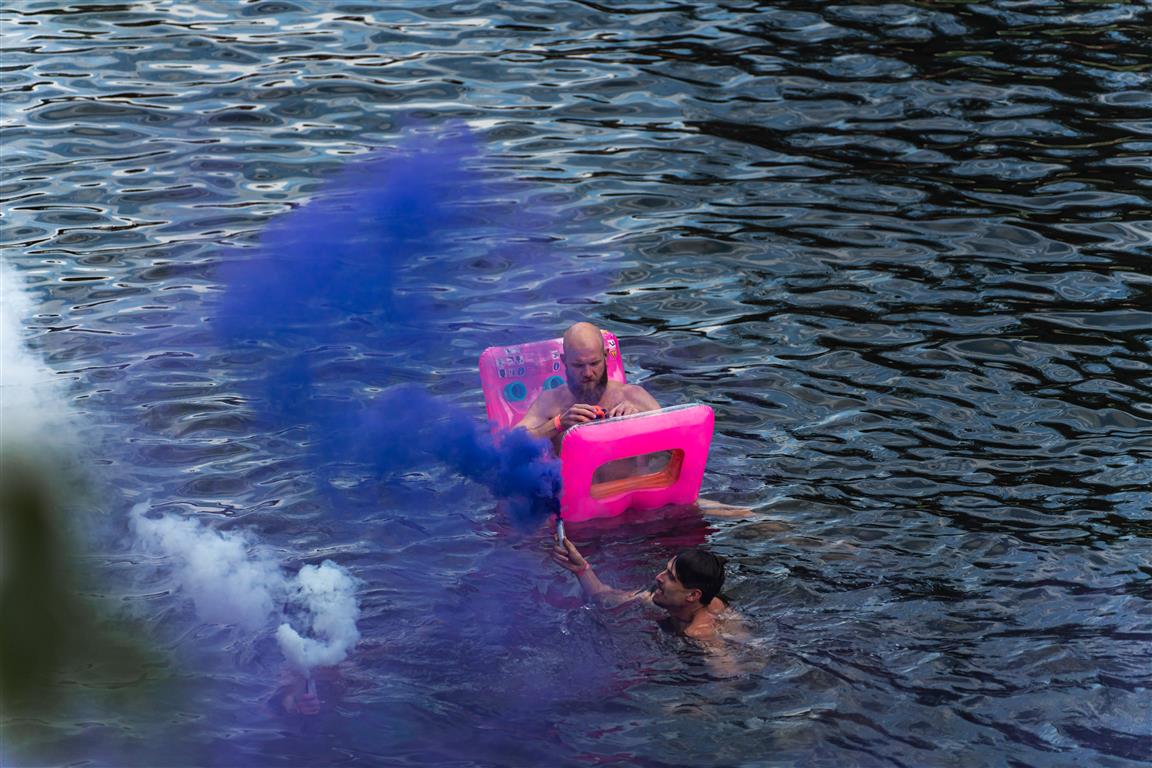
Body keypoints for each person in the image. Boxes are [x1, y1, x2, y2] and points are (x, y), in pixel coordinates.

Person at [513, 321, 660, 455]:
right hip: (575, 483)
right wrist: (558, 424)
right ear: (564, 361)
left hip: (634, 483)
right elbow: (510, 446)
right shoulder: (551, 401)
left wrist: (642, 422)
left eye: (594, 363)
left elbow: (676, 440)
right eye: (578, 365)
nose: (588, 373)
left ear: (606, 356)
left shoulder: (632, 396)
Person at [551, 537, 733, 642]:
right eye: (665, 569)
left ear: (693, 595)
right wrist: (581, 568)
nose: (658, 577)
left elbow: (729, 675)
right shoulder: (661, 599)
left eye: (670, 577)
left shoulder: (700, 634)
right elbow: (604, 596)